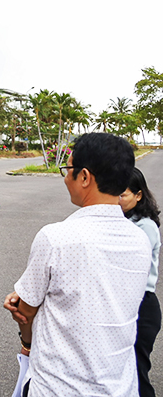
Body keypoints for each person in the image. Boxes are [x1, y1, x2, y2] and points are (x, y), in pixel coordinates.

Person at [4, 133, 151, 397]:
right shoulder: (140, 239)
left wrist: (25, 336)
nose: (64, 177)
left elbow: (25, 311)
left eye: (68, 169)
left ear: (84, 177)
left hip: (58, 387)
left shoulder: (55, 238)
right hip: (120, 387)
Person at [118, 167, 161, 397]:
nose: (117, 200)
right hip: (126, 303)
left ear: (138, 195)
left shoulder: (144, 226)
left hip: (142, 306)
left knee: (137, 373)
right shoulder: (123, 219)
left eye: (122, 195)